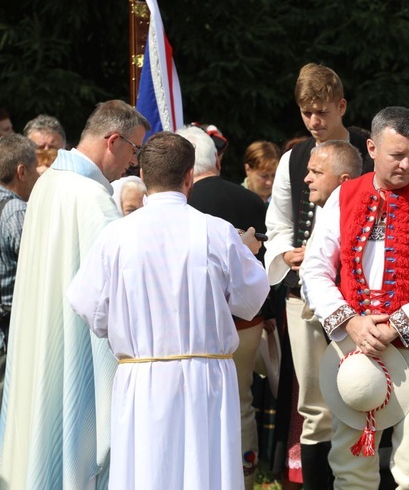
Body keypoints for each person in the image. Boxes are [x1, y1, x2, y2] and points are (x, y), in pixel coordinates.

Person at [67, 132, 269, 489]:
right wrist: (247, 252)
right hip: (205, 379)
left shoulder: (116, 236)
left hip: (142, 379)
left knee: (147, 471)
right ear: (190, 176)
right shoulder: (217, 233)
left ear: (143, 176)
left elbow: (87, 306)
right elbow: (251, 297)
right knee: (205, 472)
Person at [302, 106, 409, 488]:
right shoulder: (345, 196)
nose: (407, 165)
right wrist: (350, 321)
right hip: (356, 343)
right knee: (349, 462)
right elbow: (315, 268)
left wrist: (398, 324)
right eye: (397, 154)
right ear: (372, 148)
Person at [0, 100, 148, 488]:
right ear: (113, 141)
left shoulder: (48, 182)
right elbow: (118, 290)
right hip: (73, 345)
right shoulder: (92, 200)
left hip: (40, 340)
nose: (134, 164)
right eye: (134, 150)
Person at [264, 63, 373, 488]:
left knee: (363, 392)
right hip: (304, 298)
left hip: (360, 296)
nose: (314, 121)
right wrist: (286, 252)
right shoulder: (294, 159)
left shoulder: (369, 151)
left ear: (341, 105)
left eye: (322, 111)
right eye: (307, 112)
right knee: (313, 406)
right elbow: (276, 223)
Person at [178, 125, 270, 486]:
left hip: (199, 321)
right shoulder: (249, 200)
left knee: (196, 405)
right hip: (247, 321)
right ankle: (244, 477)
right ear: (215, 158)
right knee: (241, 402)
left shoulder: (184, 204)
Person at [0, 134, 39, 403]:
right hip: (9, 338)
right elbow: (40, 270)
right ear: (21, 171)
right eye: (35, 169)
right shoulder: (16, 212)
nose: (38, 177)